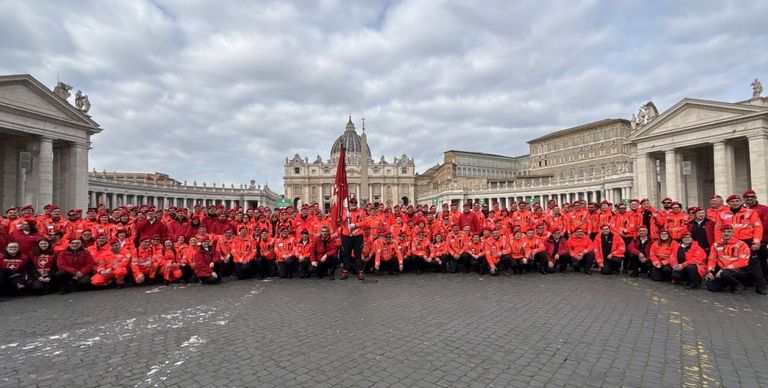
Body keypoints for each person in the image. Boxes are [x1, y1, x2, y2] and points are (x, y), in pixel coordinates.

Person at [705, 225, 757, 293]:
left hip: (739, 270)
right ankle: (729, 283)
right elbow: (712, 259)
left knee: (725, 274)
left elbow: (743, 262)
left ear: (733, 233)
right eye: (724, 232)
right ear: (721, 233)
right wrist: (710, 271)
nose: (726, 233)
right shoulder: (716, 245)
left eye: (729, 232)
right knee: (711, 286)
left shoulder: (742, 245)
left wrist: (724, 269)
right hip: (723, 271)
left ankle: (737, 284)